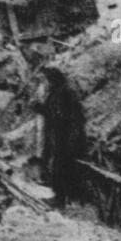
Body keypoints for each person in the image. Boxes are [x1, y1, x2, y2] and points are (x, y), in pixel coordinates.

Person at [37, 66, 88, 206]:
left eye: (46, 80)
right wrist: (41, 109)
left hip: (66, 137)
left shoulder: (65, 93)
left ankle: (61, 199)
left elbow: (64, 116)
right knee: (60, 166)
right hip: (61, 136)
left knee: (62, 167)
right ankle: (62, 197)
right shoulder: (57, 92)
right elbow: (53, 113)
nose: (45, 83)